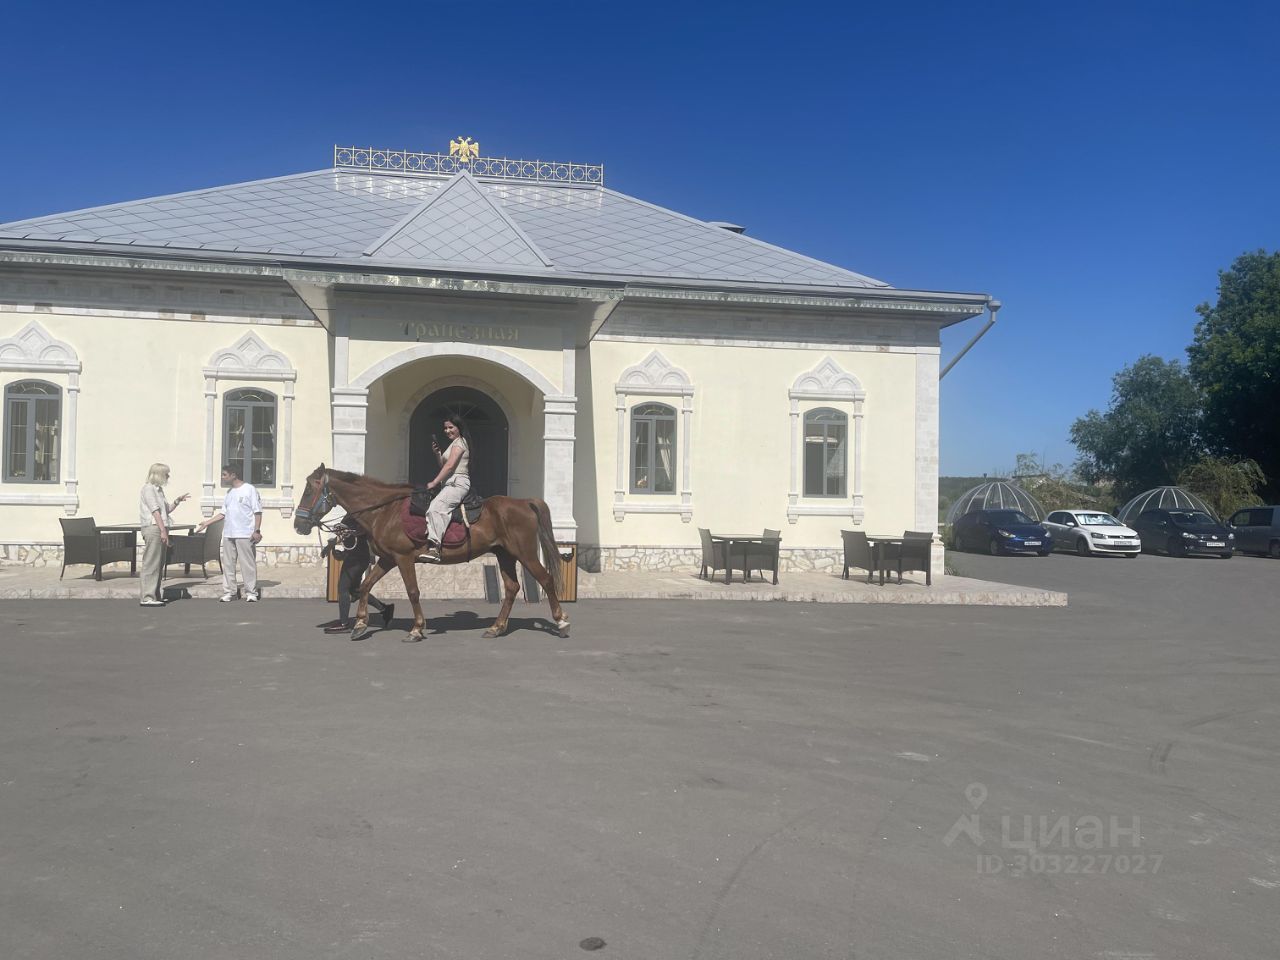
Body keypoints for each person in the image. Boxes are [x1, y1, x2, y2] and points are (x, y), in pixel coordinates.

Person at [196, 463, 263, 601]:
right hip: (228, 534)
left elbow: (258, 512)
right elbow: (223, 513)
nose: (222, 477)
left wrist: (257, 531)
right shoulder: (229, 493)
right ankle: (230, 592)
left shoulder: (250, 490)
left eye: (224, 474)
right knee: (228, 565)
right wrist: (206, 523)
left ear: (234, 475)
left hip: (245, 534)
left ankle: (251, 592)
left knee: (247, 564)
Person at [321, 515, 394, 634]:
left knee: (343, 588)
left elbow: (359, 532)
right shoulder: (349, 515)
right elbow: (349, 540)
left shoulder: (360, 516)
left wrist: (335, 541)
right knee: (356, 591)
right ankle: (385, 609)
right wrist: (342, 553)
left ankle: (344, 623)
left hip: (358, 559)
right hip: (354, 557)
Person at [418, 414, 471, 563]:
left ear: (458, 427)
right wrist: (437, 454)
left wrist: (434, 482)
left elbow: (449, 467)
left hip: (457, 483)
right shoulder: (453, 443)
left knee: (435, 508)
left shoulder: (460, 443)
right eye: (445, 428)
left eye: (451, 427)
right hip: (449, 483)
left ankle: (435, 549)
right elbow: (443, 465)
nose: (447, 430)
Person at [138, 463, 190, 606]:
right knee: (151, 563)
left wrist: (177, 501)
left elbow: (166, 510)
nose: (168, 476)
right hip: (154, 528)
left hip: (160, 528)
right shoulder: (148, 489)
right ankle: (147, 597)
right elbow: (155, 512)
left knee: (158, 564)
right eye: (166, 474)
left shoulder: (158, 490)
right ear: (158, 474)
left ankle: (154, 595)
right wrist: (162, 531)